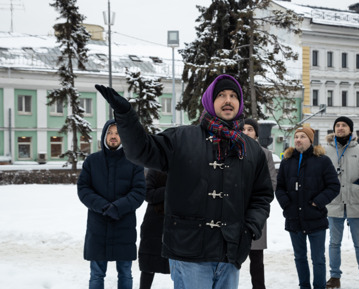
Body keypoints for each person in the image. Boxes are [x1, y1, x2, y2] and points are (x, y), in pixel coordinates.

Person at [95, 74, 274, 289]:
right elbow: (142, 150)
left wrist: (249, 229)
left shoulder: (251, 149)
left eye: (234, 95)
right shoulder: (182, 138)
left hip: (230, 252)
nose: (228, 100)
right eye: (222, 95)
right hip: (189, 252)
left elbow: (262, 195)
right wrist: (126, 116)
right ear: (209, 101)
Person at [77, 119, 146, 289]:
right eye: (110, 133)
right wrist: (103, 206)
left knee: (125, 273)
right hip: (98, 226)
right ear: (104, 136)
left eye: (117, 133)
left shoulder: (134, 162)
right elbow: (83, 189)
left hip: (124, 226)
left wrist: (117, 208)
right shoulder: (92, 161)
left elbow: (138, 192)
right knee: (96, 274)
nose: (113, 136)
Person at [276, 126, 340, 289]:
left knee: (318, 258)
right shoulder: (287, 161)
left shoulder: (322, 161)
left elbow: (333, 186)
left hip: (315, 217)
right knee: (299, 257)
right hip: (293, 218)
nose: (298, 139)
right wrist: (287, 204)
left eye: (302, 136)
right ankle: (304, 286)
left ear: (310, 140)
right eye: (296, 136)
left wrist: (317, 202)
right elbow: (280, 187)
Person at [324, 116, 359, 289]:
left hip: (355, 203)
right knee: (334, 243)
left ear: (350, 129)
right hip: (334, 203)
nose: (340, 128)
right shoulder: (326, 151)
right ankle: (334, 277)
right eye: (337, 125)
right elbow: (319, 174)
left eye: (344, 125)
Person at [243, 118, 277, 289]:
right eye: (243, 129)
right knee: (228, 259)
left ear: (256, 133)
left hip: (256, 211)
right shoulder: (231, 151)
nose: (247, 132)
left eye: (250, 129)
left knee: (256, 259)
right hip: (233, 211)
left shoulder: (265, 154)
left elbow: (271, 183)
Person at [138, 169, 170, 288]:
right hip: (154, 223)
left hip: (177, 222)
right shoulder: (154, 169)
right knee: (148, 265)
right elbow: (148, 194)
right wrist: (170, 189)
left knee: (180, 269)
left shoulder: (184, 168)